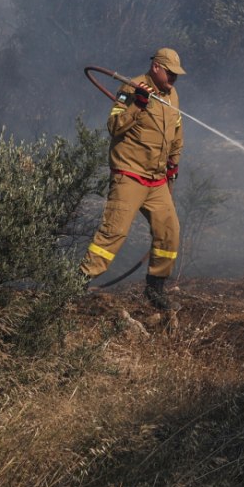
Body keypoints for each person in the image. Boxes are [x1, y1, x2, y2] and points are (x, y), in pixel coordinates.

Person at [81, 47, 186, 311]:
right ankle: (77, 283)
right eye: (170, 73)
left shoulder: (172, 95)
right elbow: (114, 126)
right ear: (156, 68)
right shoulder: (132, 89)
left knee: (169, 231)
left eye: (177, 75)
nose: (174, 79)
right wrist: (138, 104)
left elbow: (176, 131)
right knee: (113, 232)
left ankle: (155, 286)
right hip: (130, 174)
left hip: (157, 180)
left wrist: (173, 162)